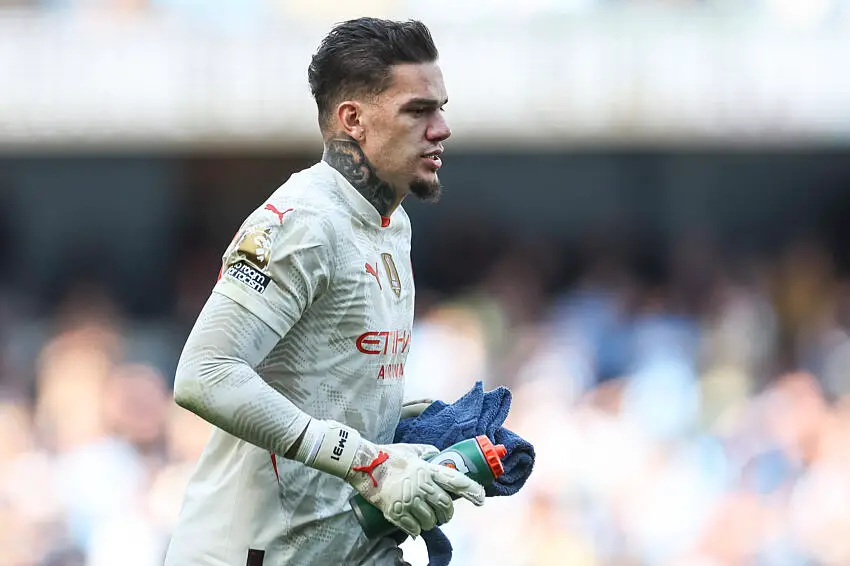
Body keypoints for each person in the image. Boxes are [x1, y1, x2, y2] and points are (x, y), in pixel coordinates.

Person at [163, 17, 486, 566]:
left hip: (342, 549)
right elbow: (205, 373)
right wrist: (368, 460)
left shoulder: (391, 222)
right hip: (251, 551)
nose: (441, 128)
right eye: (418, 110)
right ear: (353, 119)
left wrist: (401, 425)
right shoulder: (303, 222)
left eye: (441, 108)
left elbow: (314, 381)